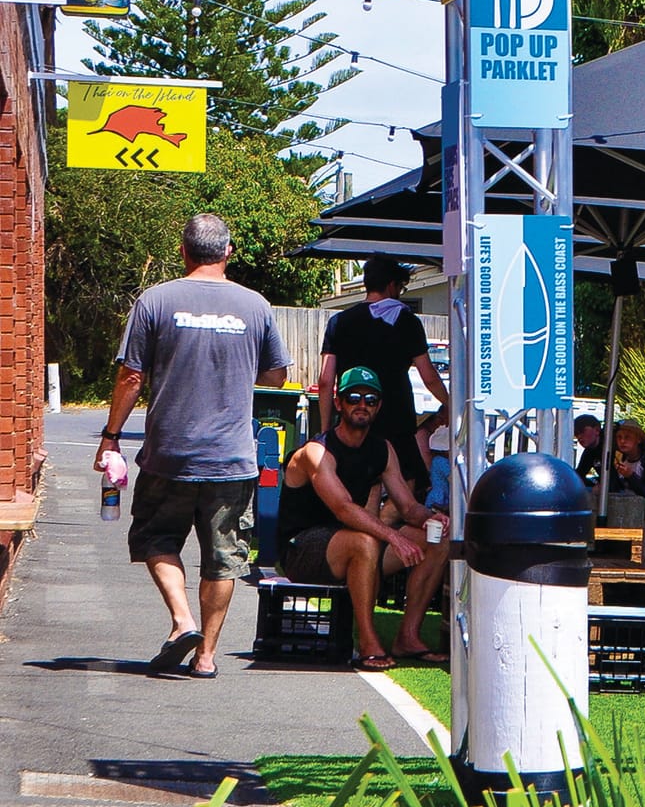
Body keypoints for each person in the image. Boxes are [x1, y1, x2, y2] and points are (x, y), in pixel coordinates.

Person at [97, 214, 291, 678]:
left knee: (155, 539)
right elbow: (277, 375)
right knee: (223, 558)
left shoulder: (155, 300)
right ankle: (206, 657)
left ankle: (182, 621)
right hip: (232, 458)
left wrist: (111, 435)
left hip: (170, 453)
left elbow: (131, 375)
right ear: (227, 253)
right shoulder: (256, 306)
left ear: (184, 251)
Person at [276, 366, 450, 670]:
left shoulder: (382, 449)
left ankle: (408, 636)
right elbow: (343, 508)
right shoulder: (317, 452)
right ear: (339, 403)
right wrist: (393, 536)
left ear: (378, 406)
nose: (362, 404)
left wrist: (430, 519)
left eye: (370, 399)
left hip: (357, 545)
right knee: (365, 541)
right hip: (302, 550)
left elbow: (408, 507)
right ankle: (368, 641)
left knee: (438, 539)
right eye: (353, 397)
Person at [318, 256, 445, 501]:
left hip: (351, 417)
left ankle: (370, 533)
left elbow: (325, 380)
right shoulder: (407, 321)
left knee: (363, 486)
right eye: (400, 287)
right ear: (391, 285)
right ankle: (385, 530)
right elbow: (428, 376)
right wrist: (450, 404)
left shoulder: (339, 322)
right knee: (407, 483)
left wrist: (325, 430)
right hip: (396, 417)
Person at [605, 418, 645, 497]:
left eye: (627, 437)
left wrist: (630, 476)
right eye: (619, 437)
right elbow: (614, 488)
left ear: (638, 440)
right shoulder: (618, 458)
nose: (622, 441)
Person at [573, 413, 603, 483]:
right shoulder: (589, 452)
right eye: (576, 434)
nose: (579, 437)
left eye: (582, 431)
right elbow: (579, 476)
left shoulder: (611, 446)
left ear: (597, 430)